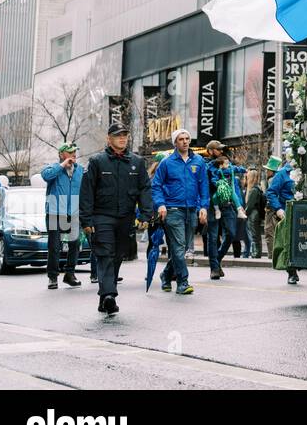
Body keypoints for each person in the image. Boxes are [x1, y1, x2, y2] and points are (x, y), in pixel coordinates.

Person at [80, 123, 153, 316]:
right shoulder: (97, 161)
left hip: (125, 218)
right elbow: (86, 192)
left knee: (118, 255)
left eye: (125, 135)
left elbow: (145, 188)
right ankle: (110, 295)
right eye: (118, 135)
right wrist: (86, 221)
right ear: (109, 139)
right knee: (105, 254)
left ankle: (104, 298)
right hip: (101, 216)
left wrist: (145, 214)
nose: (122, 138)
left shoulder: (137, 162)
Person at [150, 128, 208, 295]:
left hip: (191, 210)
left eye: (187, 138)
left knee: (181, 249)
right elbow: (156, 185)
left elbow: (203, 185)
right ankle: (182, 282)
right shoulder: (167, 163)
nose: (185, 141)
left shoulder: (198, 161)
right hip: (173, 210)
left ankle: (166, 275)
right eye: (181, 139)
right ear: (175, 143)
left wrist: (203, 206)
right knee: (178, 246)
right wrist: (161, 204)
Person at [42, 142, 84, 290]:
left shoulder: (80, 170)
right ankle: (53, 277)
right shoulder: (53, 168)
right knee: (54, 246)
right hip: (55, 211)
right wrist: (62, 165)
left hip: (73, 211)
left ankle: (69, 274)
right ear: (61, 154)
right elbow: (45, 176)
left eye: (75, 151)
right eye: (70, 151)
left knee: (75, 243)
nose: (74, 154)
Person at [206, 143, 246, 279]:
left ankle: (217, 260)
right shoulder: (207, 166)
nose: (221, 151)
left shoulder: (228, 165)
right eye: (218, 149)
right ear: (210, 151)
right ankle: (215, 268)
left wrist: (239, 204)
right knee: (212, 237)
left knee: (231, 233)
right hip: (213, 204)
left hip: (228, 204)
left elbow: (235, 186)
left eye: (222, 149)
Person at [265, 155, 299, 285]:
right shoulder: (282, 174)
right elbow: (271, 192)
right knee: (288, 242)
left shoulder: (305, 171)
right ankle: (292, 272)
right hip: (287, 212)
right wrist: (278, 209)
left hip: (302, 212)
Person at [244, 168, 266, 258]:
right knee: (256, 234)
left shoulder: (253, 190)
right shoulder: (258, 188)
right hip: (256, 214)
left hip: (253, 214)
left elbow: (250, 205)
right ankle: (257, 253)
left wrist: (245, 212)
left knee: (253, 235)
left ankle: (255, 253)